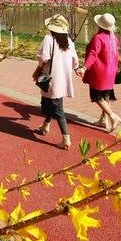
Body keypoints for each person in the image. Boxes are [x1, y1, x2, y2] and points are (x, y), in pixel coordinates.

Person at [32, 14, 78, 150]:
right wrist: (77, 68)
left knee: (58, 109)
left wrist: (38, 69)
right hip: (64, 78)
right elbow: (75, 60)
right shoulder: (69, 41)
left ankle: (66, 139)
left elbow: (43, 58)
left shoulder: (49, 39)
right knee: (53, 103)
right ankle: (45, 125)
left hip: (52, 78)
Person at [83, 12, 121, 132]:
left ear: (99, 25)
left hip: (99, 71)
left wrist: (85, 67)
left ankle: (112, 116)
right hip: (111, 71)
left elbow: (93, 54)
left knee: (97, 96)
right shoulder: (114, 39)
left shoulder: (98, 38)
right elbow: (117, 56)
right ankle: (103, 120)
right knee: (106, 96)